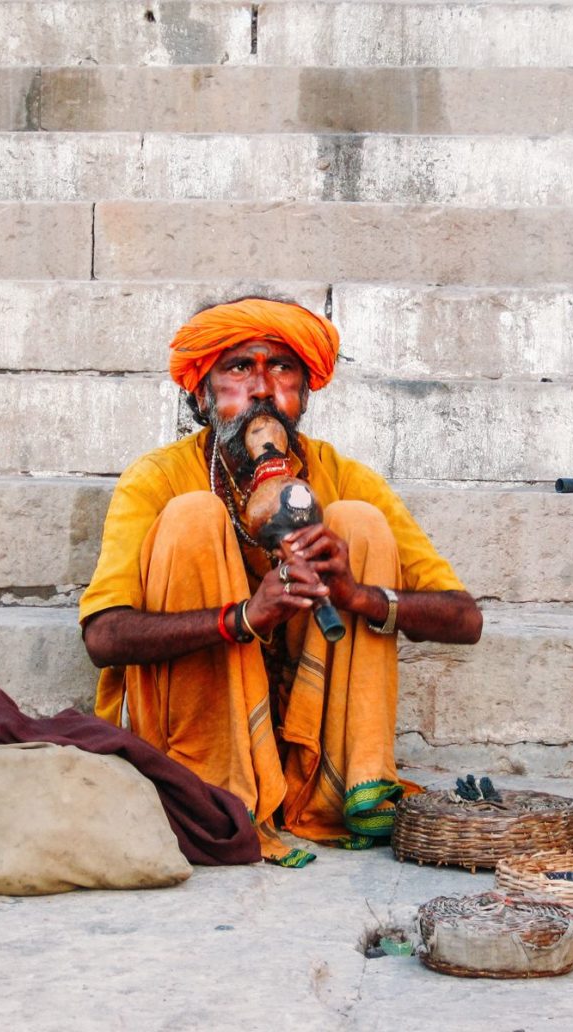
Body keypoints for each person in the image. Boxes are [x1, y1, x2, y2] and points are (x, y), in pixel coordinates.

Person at [79, 297, 482, 865]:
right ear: (201, 393)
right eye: (240, 368)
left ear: (305, 393)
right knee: (194, 516)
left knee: (358, 524)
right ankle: (215, 789)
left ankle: (350, 786)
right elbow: (103, 637)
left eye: (283, 368)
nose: (263, 389)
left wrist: (355, 595)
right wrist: (243, 617)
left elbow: (464, 618)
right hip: (196, 745)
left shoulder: (342, 475)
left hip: (304, 730)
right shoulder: (159, 477)